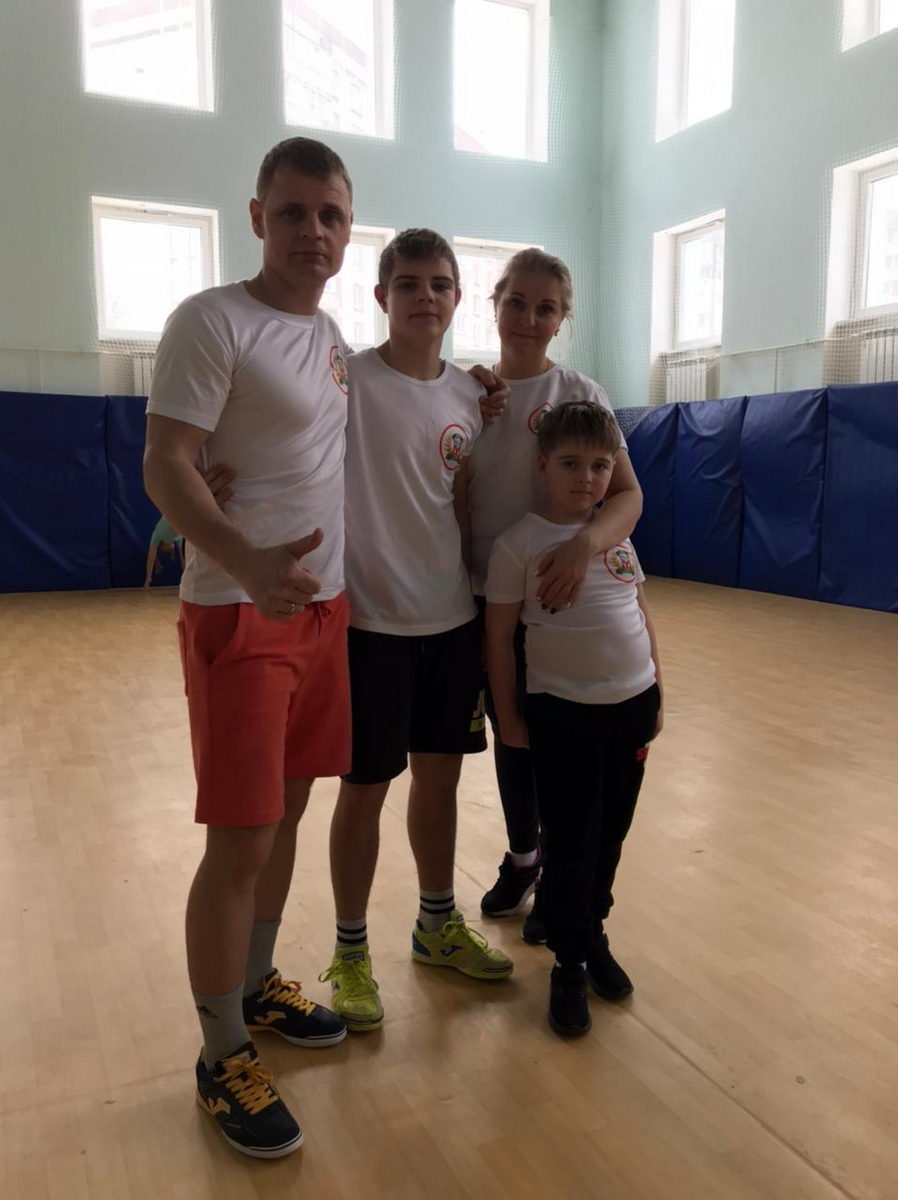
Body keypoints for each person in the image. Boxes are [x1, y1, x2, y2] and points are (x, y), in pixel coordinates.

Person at [143, 137, 359, 1159]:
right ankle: (219, 1050)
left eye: (332, 214)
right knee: (240, 840)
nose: (314, 231)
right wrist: (241, 553)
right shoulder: (211, 319)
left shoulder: (333, 338)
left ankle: (259, 984)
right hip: (240, 609)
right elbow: (165, 462)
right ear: (257, 216)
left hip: (325, 614)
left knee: (289, 813)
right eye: (294, 212)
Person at [320, 229, 513, 1033]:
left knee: (440, 783)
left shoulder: (472, 395)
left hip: (452, 623)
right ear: (381, 297)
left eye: (439, 284)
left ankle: (436, 924)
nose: (424, 297)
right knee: (364, 791)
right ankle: (350, 950)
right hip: (370, 627)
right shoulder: (347, 379)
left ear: (458, 297)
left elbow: (461, 501)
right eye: (408, 284)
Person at [455, 248, 643, 942]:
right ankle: (523, 856)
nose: (529, 318)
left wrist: (583, 545)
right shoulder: (466, 393)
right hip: (487, 598)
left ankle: (562, 881)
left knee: (560, 742)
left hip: (564, 601)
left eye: (546, 308)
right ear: (495, 305)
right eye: (517, 302)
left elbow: (627, 495)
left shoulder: (580, 392)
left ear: (563, 318)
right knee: (513, 733)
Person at [485, 401, 663, 1037]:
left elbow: (639, 610)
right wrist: (509, 716)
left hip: (632, 707)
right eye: (570, 464)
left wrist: (658, 690)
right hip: (561, 714)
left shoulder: (615, 535)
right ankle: (567, 962)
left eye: (599, 465)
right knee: (570, 841)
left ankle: (593, 936)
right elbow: (498, 637)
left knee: (611, 835)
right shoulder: (519, 544)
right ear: (542, 467)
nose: (586, 478)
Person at [144, 514, 185, 586]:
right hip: (182, 521)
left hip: (173, 516)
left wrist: (148, 579)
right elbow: (183, 560)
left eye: (166, 551)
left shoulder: (157, 535)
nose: (171, 550)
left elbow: (151, 557)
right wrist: (148, 579)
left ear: (163, 547)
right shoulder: (178, 539)